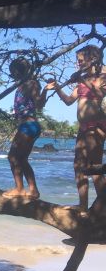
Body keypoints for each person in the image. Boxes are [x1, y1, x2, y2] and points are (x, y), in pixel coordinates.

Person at [46, 45, 106, 210]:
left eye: (80, 61)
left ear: (92, 58)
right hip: (83, 127)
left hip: (97, 127)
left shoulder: (103, 75)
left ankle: (103, 208)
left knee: (94, 168)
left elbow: (101, 95)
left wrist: (81, 79)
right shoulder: (83, 78)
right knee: (78, 166)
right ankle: (83, 206)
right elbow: (68, 101)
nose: (77, 65)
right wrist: (57, 87)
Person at [4, 57, 48, 199]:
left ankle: (20, 189)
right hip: (27, 125)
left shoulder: (31, 83)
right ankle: (33, 191)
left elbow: (39, 104)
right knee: (21, 159)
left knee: (13, 157)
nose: (12, 75)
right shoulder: (24, 84)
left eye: (13, 72)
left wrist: (46, 90)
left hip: (29, 125)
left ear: (18, 70)